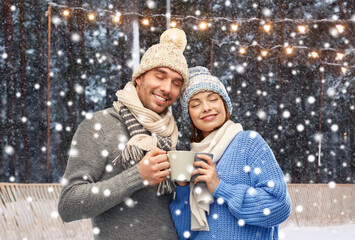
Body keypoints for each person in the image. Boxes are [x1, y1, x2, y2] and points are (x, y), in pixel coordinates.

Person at [58, 28, 189, 240]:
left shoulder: (170, 135)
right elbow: (69, 205)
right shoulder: (100, 125)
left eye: (176, 83)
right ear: (138, 78)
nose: (167, 88)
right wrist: (138, 176)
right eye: (160, 76)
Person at [170, 66, 291, 239]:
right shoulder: (194, 157)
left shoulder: (249, 142)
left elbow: (279, 207)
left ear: (225, 104)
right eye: (195, 104)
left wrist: (221, 188)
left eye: (213, 99)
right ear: (189, 115)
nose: (206, 108)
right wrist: (182, 190)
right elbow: (186, 234)